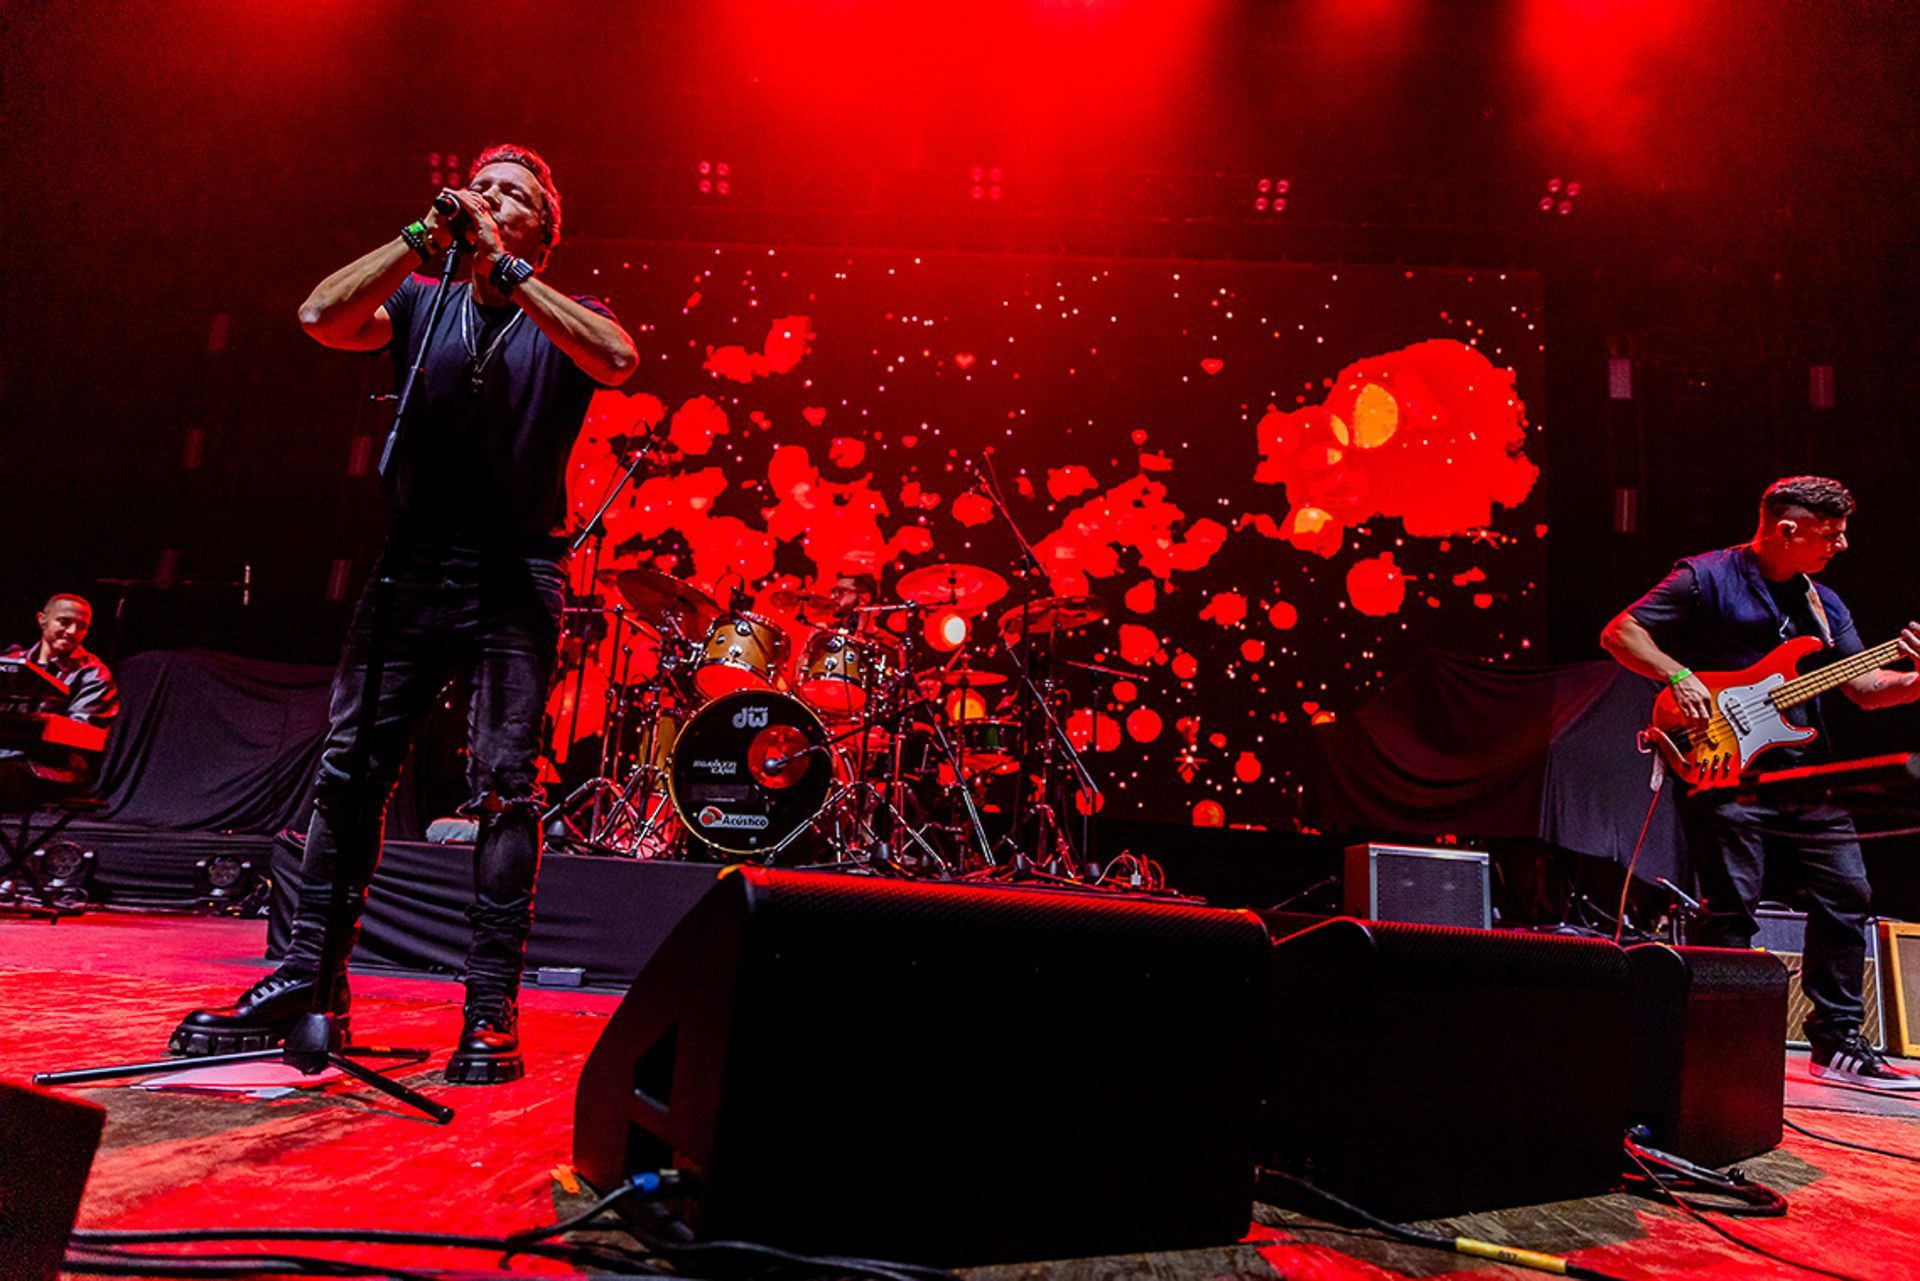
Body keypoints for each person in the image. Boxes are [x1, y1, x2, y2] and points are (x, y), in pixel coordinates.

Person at [172, 145, 637, 1085]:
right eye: (484, 186)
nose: (491, 199)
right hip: (412, 569)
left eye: (515, 196)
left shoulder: (570, 320)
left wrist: (510, 274)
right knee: (350, 770)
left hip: (516, 574)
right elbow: (317, 315)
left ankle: (491, 1007)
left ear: (545, 233)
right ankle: (310, 980)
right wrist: (420, 237)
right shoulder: (424, 306)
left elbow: (619, 362)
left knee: (506, 782)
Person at [1601, 475, 1920, 1091]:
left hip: (1808, 775)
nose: (1843, 544)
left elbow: (1865, 690)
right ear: (1786, 530)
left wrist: (1915, 681)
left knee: (1847, 895)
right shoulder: (1704, 577)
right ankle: (1713, 1044)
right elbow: (1621, 633)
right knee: (1731, 912)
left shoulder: (1825, 604)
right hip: (1724, 771)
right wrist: (1677, 675)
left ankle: (1838, 1044)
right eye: (1831, 533)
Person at [0, 594, 118, 809]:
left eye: (81, 626)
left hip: (51, 770)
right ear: (42, 619)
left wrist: (32, 724)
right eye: (64, 622)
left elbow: (83, 736)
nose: (72, 631)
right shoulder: (11, 661)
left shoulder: (93, 674)